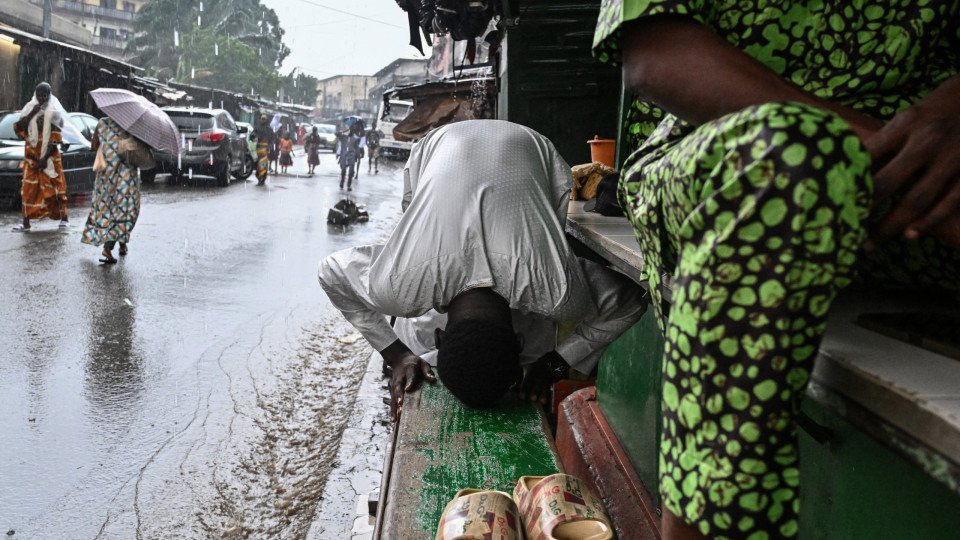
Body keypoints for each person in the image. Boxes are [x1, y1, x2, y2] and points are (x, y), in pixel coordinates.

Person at [593, 1, 960, 538]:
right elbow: (656, 56)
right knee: (793, 160)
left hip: (938, 170)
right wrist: (887, 156)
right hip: (735, 149)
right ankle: (703, 527)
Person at [319, 120, 648, 422]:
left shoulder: (557, 289)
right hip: (508, 144)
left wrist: (553, 364)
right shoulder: (402, 284)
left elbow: (631, 300)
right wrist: (397, 355)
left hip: (499, 145)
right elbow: (332, 271)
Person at [11, 83, 72, 232]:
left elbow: (55, 139)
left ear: (49, 95)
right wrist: (32, 113)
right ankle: (26, 223)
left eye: (45, 95)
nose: (42, 98)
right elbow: (18, 128)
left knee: (55, 191)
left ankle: (64, 219)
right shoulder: (28, 108)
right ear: (35, 94)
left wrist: (44, 159)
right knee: (27, 190)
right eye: (39, 95)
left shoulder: (55, 113)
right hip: (32, 158)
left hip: (49, 159)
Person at [80, 117, 142, 264]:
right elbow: (137, 147)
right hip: (125, 175)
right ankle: (108, 248)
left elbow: (94, 145)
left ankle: (121, 244)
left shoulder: (102, 123)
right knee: (125, 210)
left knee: (104, 208)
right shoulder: (130, 124)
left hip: (105, 175)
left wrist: (106, 144)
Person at [253, 114, 274, 185]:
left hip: (265, 149)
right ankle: (259, 178)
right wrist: (253, 136)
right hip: (258, 148)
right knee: (258, 164)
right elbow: (252, 135)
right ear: (260, 119)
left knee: (263, 164)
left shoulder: (269, 129)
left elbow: (272, 139)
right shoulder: (257, 127)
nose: (263, 120)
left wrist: (270, 146)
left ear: (266, 120)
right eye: (262, 119)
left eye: (264, 119)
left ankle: (263, 178)